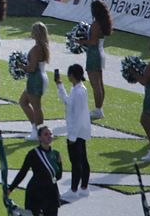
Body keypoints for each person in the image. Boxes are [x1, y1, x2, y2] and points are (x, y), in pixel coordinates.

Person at [8, 125, 63, 215]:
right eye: (46, 134)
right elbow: (23, 172)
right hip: (36, 192)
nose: (49, 136)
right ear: (39, 138)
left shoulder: (56, 154)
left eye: (50, 134)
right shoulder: (33, 154)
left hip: (51, 193)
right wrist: (10, 188)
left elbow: (59, 175)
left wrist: (50, 180)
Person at [55, 64, 91, 200]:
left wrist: (73, 136)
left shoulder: (79, 92)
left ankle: (75, 189)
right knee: (82, 160)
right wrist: (60, 86)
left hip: (77, 131)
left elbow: (78, 115)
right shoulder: (78, 90)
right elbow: (68, 103)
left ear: (72, 75)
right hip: (80, 130)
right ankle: (83, 187)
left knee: (77, 161)